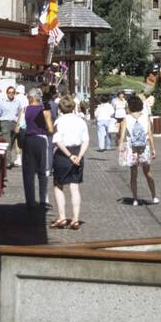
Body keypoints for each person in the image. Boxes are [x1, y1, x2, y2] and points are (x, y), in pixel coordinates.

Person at [50, 95, 90, 229]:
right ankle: (75, 219)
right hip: (78, 151)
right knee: (74, 186)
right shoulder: (81, 121)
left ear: (60, 108)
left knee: (58, 185)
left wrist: (69, 155)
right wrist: (79, 155)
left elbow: (57, 141)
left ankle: (62, 217)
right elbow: (86, 141)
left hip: (63, 155)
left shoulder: (59, 121)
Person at [119, 94, 159, 206]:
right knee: (147, 173)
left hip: (132, 148)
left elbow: (122, 136)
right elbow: (150, 134)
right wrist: (153, 148)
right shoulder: (145, 116)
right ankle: (154, 196)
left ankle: (135, 199)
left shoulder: (126, 118)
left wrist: (120, 148)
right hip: (144, 147)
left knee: (133, 174)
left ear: (129, 106)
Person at [21, 87, 54, 210]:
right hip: (41, 139)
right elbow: (50, 129)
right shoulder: (44, 110)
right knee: (43, 170)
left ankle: (30, 200)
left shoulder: (24, 110)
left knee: (28, 172)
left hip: (28, 140)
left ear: (30, 97)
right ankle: (43, 199)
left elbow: (18, 128)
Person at [0, 85, 23, 168]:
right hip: (5, 123)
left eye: (13, 92)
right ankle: (8, 162)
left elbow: (21, 112)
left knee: (12, 143)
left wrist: (18, 124)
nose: (11, 94)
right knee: (7, 143)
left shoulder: (17, 102)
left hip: (14, 123)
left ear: (15, 93)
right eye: (9, 92)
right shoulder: (2, 103)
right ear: (6, 93)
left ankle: (7, 160)